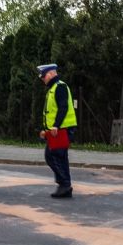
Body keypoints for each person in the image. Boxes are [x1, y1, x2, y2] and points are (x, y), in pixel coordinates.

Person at [37, 63, 78, 198]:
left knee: (54, 156)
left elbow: (63, 107)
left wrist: (56, 125)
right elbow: (52, 112)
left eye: (43, 76)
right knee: (57, 157)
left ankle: (64, 185)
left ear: (50, 74)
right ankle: (65, 185)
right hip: (58, 130)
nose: (42, 79)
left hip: (62, 129)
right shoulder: (53, 88)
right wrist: (47, 130)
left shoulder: (59, 87)